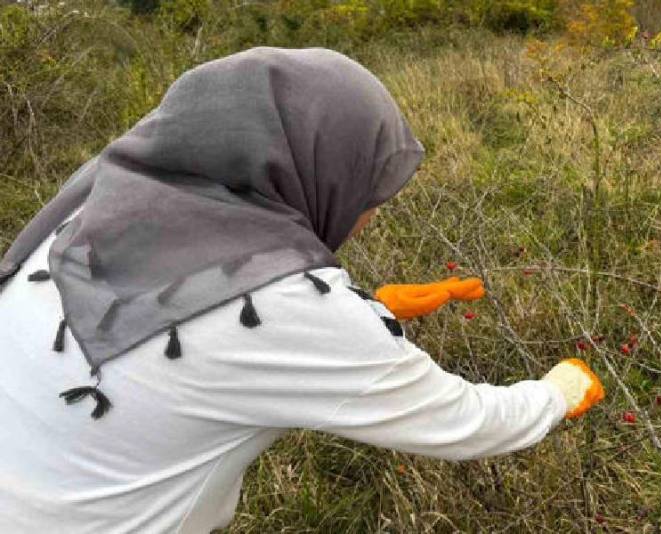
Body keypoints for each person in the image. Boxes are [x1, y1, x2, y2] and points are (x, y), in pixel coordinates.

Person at [0, 47, 604, 532]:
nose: (370, 214)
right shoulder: (283, 305)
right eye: (370, 187)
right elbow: (466, 422)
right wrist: (557, 393)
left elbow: (186, 326)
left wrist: (372, 308)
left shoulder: (93, 210)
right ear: (313, 164)